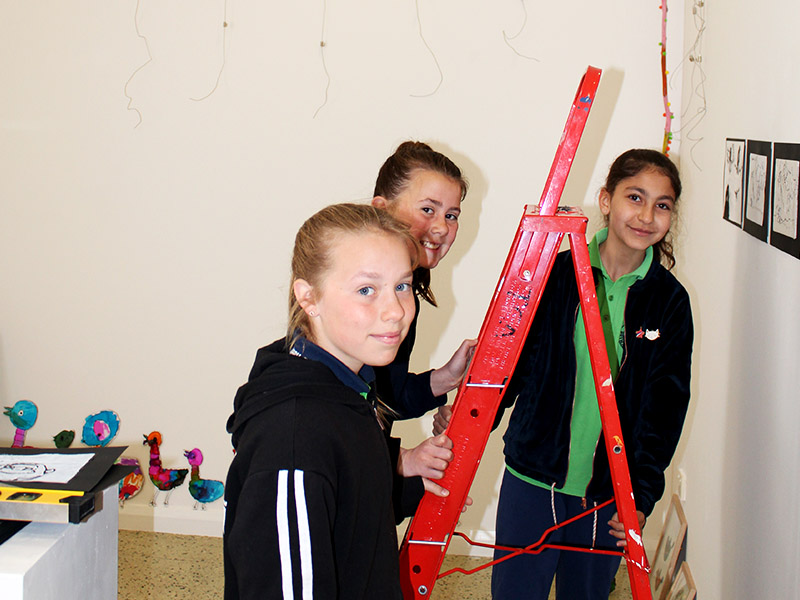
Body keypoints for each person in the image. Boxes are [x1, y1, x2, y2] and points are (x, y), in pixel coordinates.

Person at [435, 149, 694, 599]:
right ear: (606, 200)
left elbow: (665, 413)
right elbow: (512, 371)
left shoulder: (670, 303)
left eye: (662, 204)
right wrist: (465, 427)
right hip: (532, 481)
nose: (647, 215)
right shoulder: (557, 275)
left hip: (606, 500)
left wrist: (642, 495)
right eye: (635, 197)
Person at [223, 204, 420, 599]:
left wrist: (413, 486)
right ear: (309, 297)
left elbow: (350, 518)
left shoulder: (351, 387)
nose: (396, 310)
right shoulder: (293, 436)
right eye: (367, 290)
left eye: (402, 285)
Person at [371, 141, 477, 512]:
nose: (441, 227)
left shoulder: (403, 292)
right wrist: (400, 460)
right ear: (382, 210)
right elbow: (327, 414)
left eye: (451, 215)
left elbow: (382, 397)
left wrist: (446, 377)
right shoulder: (357, 294)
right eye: (428, 209)